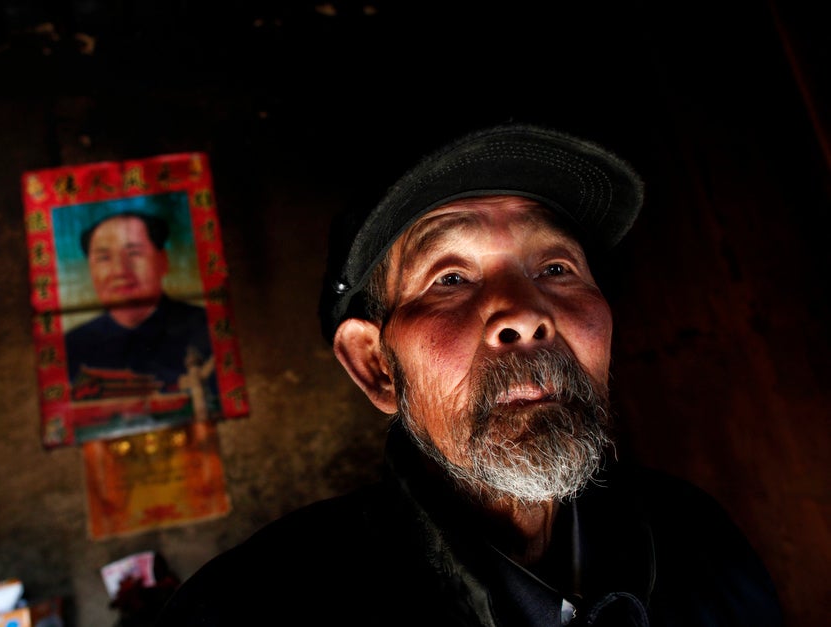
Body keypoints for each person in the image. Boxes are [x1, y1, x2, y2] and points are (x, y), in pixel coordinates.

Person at [161, 124, 783, 625]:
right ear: (376, 367)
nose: (526, 313)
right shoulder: (250, 608)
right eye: (450, 278)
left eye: (558, 268)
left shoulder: (698, 539)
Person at [64, 211, 215, 401]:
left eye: (134, 253)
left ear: (163, 261)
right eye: (104, 258)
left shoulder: (209, 326)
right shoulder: (70, 346)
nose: (120, 270)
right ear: (90, 269)